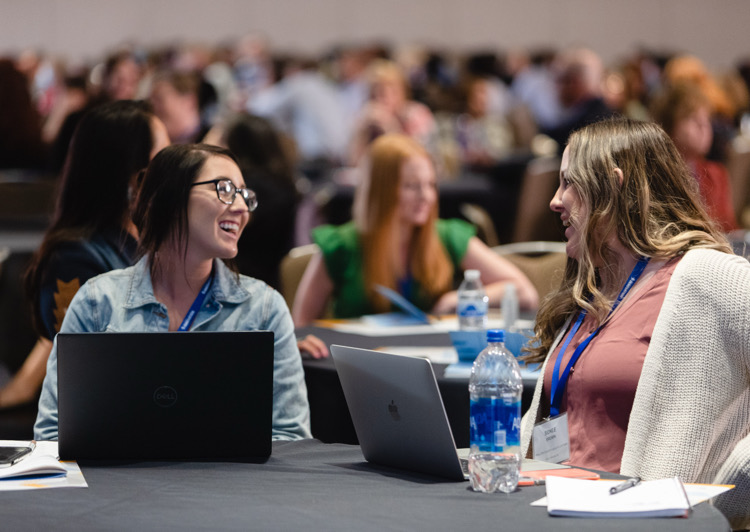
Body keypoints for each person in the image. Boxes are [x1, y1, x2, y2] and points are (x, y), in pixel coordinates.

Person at [519, 117, 750, 529]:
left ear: (615, 185)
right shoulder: (595, 283)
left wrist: (729, 488)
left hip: (640, 523)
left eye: (570, 183)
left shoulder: (714, 277)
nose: (555, 200)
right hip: (551, 512)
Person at [34, 144, 311, 441]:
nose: (242, 208)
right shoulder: (98, 303)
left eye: (244, 195)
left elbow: (291, 437)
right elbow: (52, 433)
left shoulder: (263, 310)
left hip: (228, 485)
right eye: (225, 189)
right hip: (118, 484)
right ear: (168, 197)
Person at [0, 101, 169, 410]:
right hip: (108, 414)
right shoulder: (74, 258)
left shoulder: (144, 239)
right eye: (163, 159)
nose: (173, 172)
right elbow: (86, 366)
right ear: (133, 175)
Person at [292, 133, 539, 327]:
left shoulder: (445, 235)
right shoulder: (340, 246)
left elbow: (524, 292)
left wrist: (459, 300)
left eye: (430, 184)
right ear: (380, 190)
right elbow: (299, 327)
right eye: (411, 186)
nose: (426, 197)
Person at [650, 82, 739, 232]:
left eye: (707, 119)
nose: (703, 126)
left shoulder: (716, 173)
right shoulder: (655, 175)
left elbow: (729, 230)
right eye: (693, 118)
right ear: (668, 126)